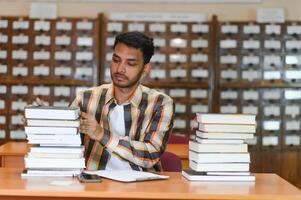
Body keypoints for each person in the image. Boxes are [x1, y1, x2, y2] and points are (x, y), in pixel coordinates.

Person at [70, 31, 175, 171]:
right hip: (93, 184)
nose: (120, 69)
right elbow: (64, 141)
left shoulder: (160, 104)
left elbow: (151, 154)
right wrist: (43, 121)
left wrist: (101, 134)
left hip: (141, 187)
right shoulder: (85, 98)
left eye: (130, 63)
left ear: (145, 69)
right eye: (116, 60)